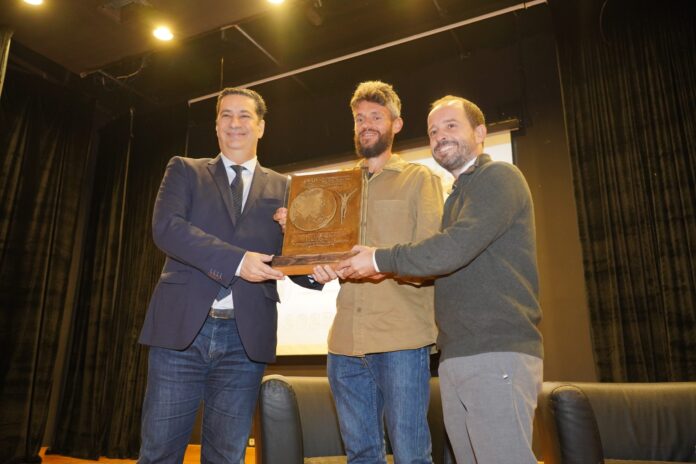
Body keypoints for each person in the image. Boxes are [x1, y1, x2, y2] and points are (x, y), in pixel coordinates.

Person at [338, 95, 543, 464]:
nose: (440, 136)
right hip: (458, 353)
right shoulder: (456, 198)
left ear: (480, 132)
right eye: (433, 131)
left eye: (451, 126)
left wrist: (378, 258)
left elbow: (449, 250)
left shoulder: (499, 177)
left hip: (495, 350)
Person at [137, 87, 319, 464]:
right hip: (182, 328)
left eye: (245, 115)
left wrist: (312, 258)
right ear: (216, 125)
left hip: (244, 337)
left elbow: (291, 263)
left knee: (227, 456)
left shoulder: (287, 187)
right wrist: (238, 261)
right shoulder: (184, 169)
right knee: (159, 453)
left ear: (261, 126)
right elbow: (167, 229)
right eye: (226, 115)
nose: (235, 123)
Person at [276, 81, 443, 464]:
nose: (366, 124)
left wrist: (380, 263)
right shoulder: (337, 187)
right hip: (344, 344)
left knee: (411, 454)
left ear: (396, 124)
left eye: (375, 117)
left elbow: (432, 256)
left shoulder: (420, 179)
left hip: (401, 339)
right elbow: (321, 260)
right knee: (361, 455)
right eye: (359, 118)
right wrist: (298, 236)